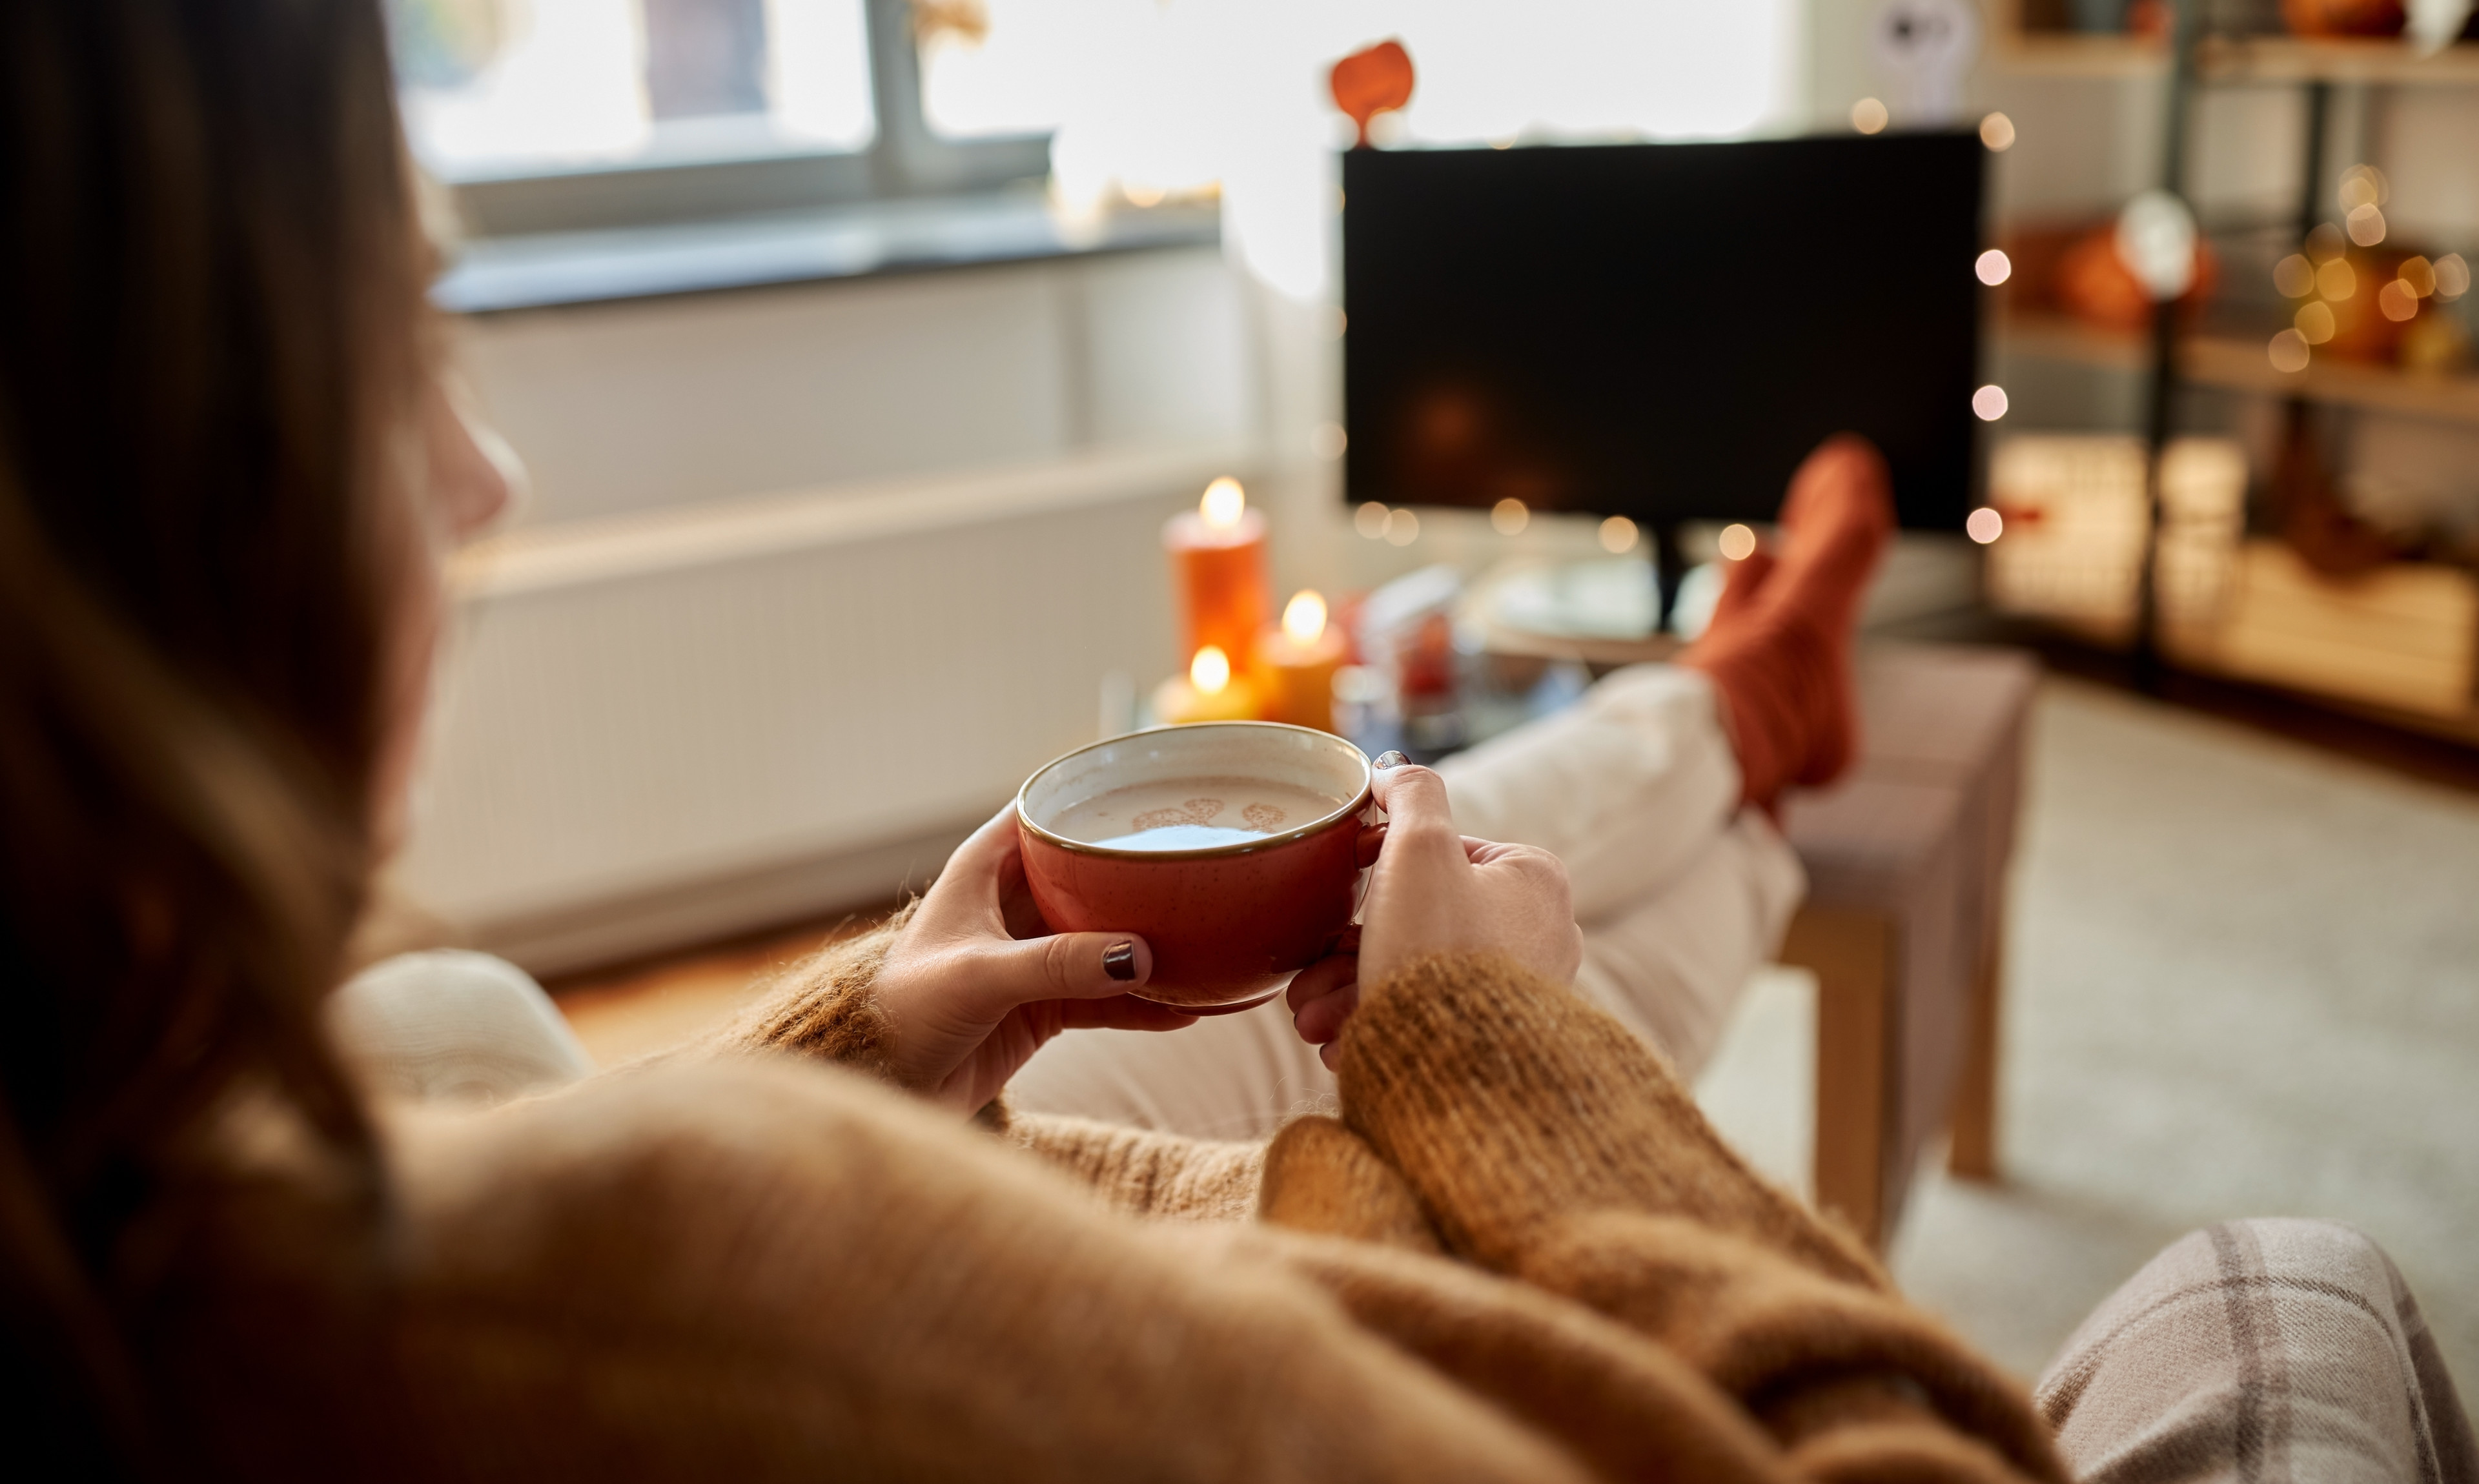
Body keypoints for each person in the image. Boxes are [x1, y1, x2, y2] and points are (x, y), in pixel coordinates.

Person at [5, 5, 2467, 1483]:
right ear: (141, 464)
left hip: (1015, 1148)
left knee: (1449, 846)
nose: (480, 479)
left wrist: (858, 1039)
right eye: (399, 348)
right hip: (1319, 1260)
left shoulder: (141, 1183)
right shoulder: (648, 1313)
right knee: (2297, 1264)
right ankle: (1750, 706)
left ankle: (1731, 716)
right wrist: (1500, 1063)